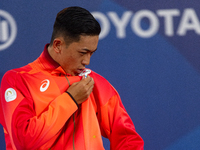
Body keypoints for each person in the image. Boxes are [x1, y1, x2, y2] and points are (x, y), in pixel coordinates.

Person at [0, 6, 144, 150]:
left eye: (92, 53)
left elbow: (127, 139)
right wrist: (70, 99)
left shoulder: (94, 83)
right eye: (83, 52)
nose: (87, 61)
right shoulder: (18, 80)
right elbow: (23, 142)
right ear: (58, 45)